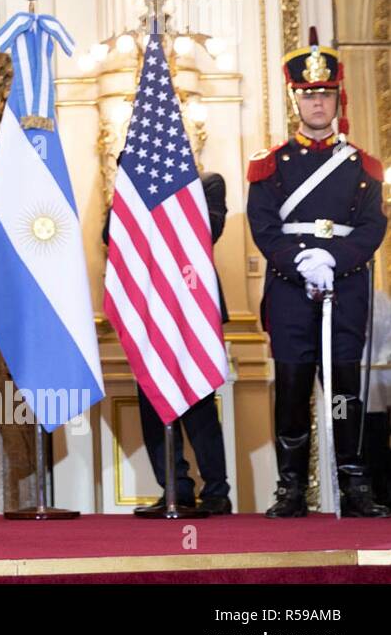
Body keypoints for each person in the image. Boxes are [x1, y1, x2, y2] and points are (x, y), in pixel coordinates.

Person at [246, 32, 390, 517]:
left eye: (325, 94)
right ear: (295, 100)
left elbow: (373, 225)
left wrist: (335, 259)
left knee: (344, 390)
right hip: (290, 291)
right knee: (291, 385)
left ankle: (353, 483)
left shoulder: (364, 165)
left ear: (337, 98)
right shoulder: (269, 165)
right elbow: (263, 226)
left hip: (345, 287)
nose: (317, 103)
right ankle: (291, 488)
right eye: (308, 95)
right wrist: (300, 260)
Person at [105, 172, 233, 514]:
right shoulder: (132, 188)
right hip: (148, 306)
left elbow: (208, 230)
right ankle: (175, 489)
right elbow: (110, 233)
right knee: (153, 403)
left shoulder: (208, 183)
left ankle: (217, 492)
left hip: (193, 308)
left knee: (200, 405)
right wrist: (127, 182)